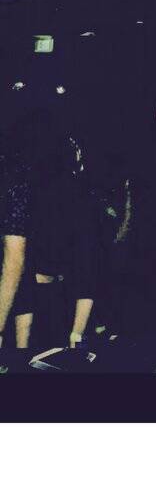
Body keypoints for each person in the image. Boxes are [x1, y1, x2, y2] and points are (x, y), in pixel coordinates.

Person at [0, 112, 98, 350]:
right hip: (58, 302)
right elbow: (88, 266)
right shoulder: (77, 191)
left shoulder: (20, 184)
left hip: (30, 304)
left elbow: (16, 261)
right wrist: (77, 333)